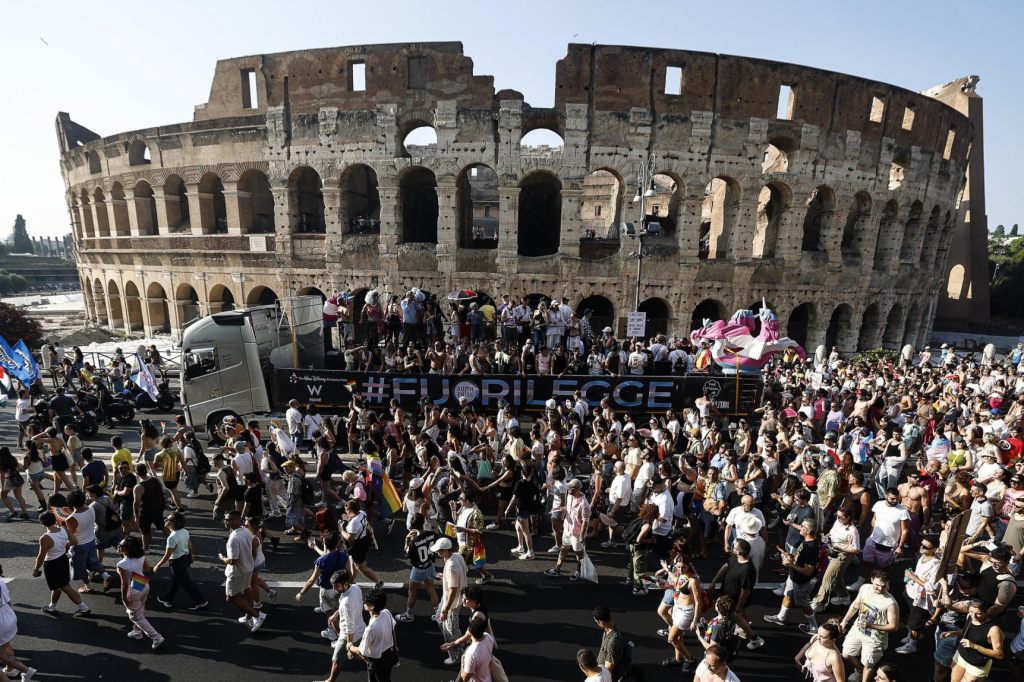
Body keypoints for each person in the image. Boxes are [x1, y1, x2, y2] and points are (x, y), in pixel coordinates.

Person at [840, 570, 899, 682]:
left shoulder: (890, 603)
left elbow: (894, 626)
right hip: (858, 629)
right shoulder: (864, 588)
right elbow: (855, 605)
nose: (880, 589)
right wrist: (845, 621)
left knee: (869, 663)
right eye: (877, 585)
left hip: (875, 637)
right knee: (846, 654)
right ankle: (859, 671)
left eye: (884, 586)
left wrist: (871, 626)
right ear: (872, 580)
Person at [765, 518, 820, 634]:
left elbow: (808, 571)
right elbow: (800, 557)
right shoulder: (805, 541)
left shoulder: (811, 547)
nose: (800, 527)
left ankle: (814, 627)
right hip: (794, 575)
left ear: (808, 530)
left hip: (802, 581)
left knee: (803, 603)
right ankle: (781, 617)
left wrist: (790, 564)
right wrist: (789, 556)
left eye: (803, 526)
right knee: (788, 593)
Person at [31, 511, 90, 616]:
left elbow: (41, 556)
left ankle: (84, 608)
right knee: (57, 586)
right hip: (63, 559)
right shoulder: (64, 529)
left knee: (65, 587)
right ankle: (51, 607)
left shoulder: (45, 538)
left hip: (52, 564)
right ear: (55, 520)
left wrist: (36, 569)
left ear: (42, 524)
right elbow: (74, 541)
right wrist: (64, 546)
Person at [709, 538, 765, 650]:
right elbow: (726, 566)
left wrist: (738, 608)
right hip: (727, 595)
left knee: (737, 617)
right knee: (738, 618)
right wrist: (714, 581)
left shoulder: (747, 570)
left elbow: (745, 591)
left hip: (735, 600)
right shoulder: (734, 557)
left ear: (739, 552)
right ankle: (749, 634)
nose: (732, 548)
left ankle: (754, 638)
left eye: (734, 547)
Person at [297, 531, 352, 642]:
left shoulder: (321, 561)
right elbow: (349, 573)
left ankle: (333, 633)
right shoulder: (344, 555)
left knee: (331, 613)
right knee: (337, 608)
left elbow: (311, 580)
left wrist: (301, 593)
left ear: (325, 544)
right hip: (340, 588)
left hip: (327, 591)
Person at [219, 510, 266, 633]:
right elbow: (255, 544)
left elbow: (233, 561)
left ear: (236, 520)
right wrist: (251, 561)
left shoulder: (233, 539)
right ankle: (249, 616)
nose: (225, 521)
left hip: (236, 573)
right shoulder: (246, 531)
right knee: (247, 589)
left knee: (231, 598)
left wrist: (222, 558)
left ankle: (257, 615)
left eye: (228, 519)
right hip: (248, 569)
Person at [115, 535, 164, 649]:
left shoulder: (121, 564)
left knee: (136, 617)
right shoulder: (141, 556)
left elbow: (124, 584)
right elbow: (147, 569)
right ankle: (137, 632)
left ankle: (156, 637)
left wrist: (124, 598)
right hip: (143, 584)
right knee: (140, 610)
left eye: (121, 545)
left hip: (132, 590)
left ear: (127, 549)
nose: (119, 546)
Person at [152, 511, 207, 611]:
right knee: (175, 582)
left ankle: (201, 601)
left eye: (168, 520)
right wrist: (191, 556)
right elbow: (190, 545)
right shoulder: (184, 531)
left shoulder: (172, 538)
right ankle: (167, 599)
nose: (165, 520)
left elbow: (167, 555)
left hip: (177, 564)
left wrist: (157, 566)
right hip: (185, 559)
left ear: (174, 523)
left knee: (187, 584)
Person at [318, 569, 365, 682]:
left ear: (345, 584)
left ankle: (329, 681)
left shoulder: (345, 603)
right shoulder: (356, 588)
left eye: (337, 586)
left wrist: (349, 647)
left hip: (348, 634)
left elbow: (350, 627)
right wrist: (336, 613)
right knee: (365, 654)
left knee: (336, 660)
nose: (334, 589)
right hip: (362, 628)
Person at [64, 489, 112, 594]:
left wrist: (64, 529)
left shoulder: (71, 519)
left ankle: (88, 587)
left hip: (79, 545)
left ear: (70, 503)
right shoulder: (91, 509)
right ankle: (106, 576)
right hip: (91, 540)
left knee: (81, 567)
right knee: (94, 562)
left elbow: (71, 537)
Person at [345, 588, 398, 682]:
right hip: (389, 655)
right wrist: (395, 647)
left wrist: (350, 646)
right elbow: (392, 630)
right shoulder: (386, 612)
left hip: (376, 662)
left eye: (365, 602)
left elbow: (361, 651)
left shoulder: (370, 629)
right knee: (386, 678)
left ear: (372, 606)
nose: (363, 603)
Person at [544, 478, 590, 579]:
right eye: (568, 488)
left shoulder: (584, 504)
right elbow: (568, 508)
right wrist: (560, 508)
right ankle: (557, 569)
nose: (569, 490)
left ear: (578, 489)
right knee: (564, 549)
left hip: (577, 533)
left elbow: (585, 522)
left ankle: (579, 571)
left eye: (571, 488)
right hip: (567, 529)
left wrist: (582, 536)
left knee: (578, 553)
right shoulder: (570, 496)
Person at [946, 599, 1004, 681]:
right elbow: (966, 632)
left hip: (977, 665)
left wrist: (974, 646)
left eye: (978, 614)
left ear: (986, 612)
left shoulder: (993, 629)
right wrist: (953, 633)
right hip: (961, 656)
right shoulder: (970, 617)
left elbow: (999, 654)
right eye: (971, 611)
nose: (974, 616)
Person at [396, 513, 439, 622]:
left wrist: (407, 540)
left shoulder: (414, 542)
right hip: (430, 565)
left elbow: (407, 554)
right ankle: (438, 614)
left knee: (412, 592)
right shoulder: (432, 534)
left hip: (418, 569)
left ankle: (409, 614)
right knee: (431, 589)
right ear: (423, 522)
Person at [432, 537, 468, 666]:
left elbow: (453, 589)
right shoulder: (457, 556)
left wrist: (446, 610)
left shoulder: (451, 565)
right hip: (449, 598)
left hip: (452, 603)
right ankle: (462, 641)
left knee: (450, 630)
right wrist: (446, 577)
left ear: (446, 551)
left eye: (439, 551)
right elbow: (465, 571)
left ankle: (456, 656)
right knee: (439, 619)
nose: (437, 553)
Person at [0, 563, 38, 681]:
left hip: (0, 622)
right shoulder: (1, 582)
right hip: (8, 616)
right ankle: (14, 670)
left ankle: (25, 671)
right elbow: (9, 601)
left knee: (3, 654)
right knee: (5, 648)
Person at [340, 499, 382, 587]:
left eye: (347, 510)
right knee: (353, 563)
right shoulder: (362, 513)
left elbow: (349, 538)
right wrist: (348, 518)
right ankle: (351, 582)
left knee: (361, 567)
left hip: (357, 546)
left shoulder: (353, 523)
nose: (345, 511)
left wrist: (341, 530)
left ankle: (378, 582)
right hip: (363, 540)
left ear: (351, 510)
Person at [593, 605, 632, 680]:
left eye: (596, 622)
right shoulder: (609, 629)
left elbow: (608, 669)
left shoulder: (613, 642)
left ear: (601, 621)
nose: (596, 624)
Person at [133, 463, 165, 551]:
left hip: (146, 511)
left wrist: (136, 516)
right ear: (146, 471)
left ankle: (145, 548)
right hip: (158, 508)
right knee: (162, 526)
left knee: (145, 531)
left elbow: (136, 503)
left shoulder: (138, 487)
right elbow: (161, 488)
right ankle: (175, 542)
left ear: (136, 473)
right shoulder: (155, 479)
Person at [460, 614, 495, 682]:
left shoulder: (471, 654)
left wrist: (462, 664)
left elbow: (465, 678)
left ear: (470, 632)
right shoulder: (489, 638)